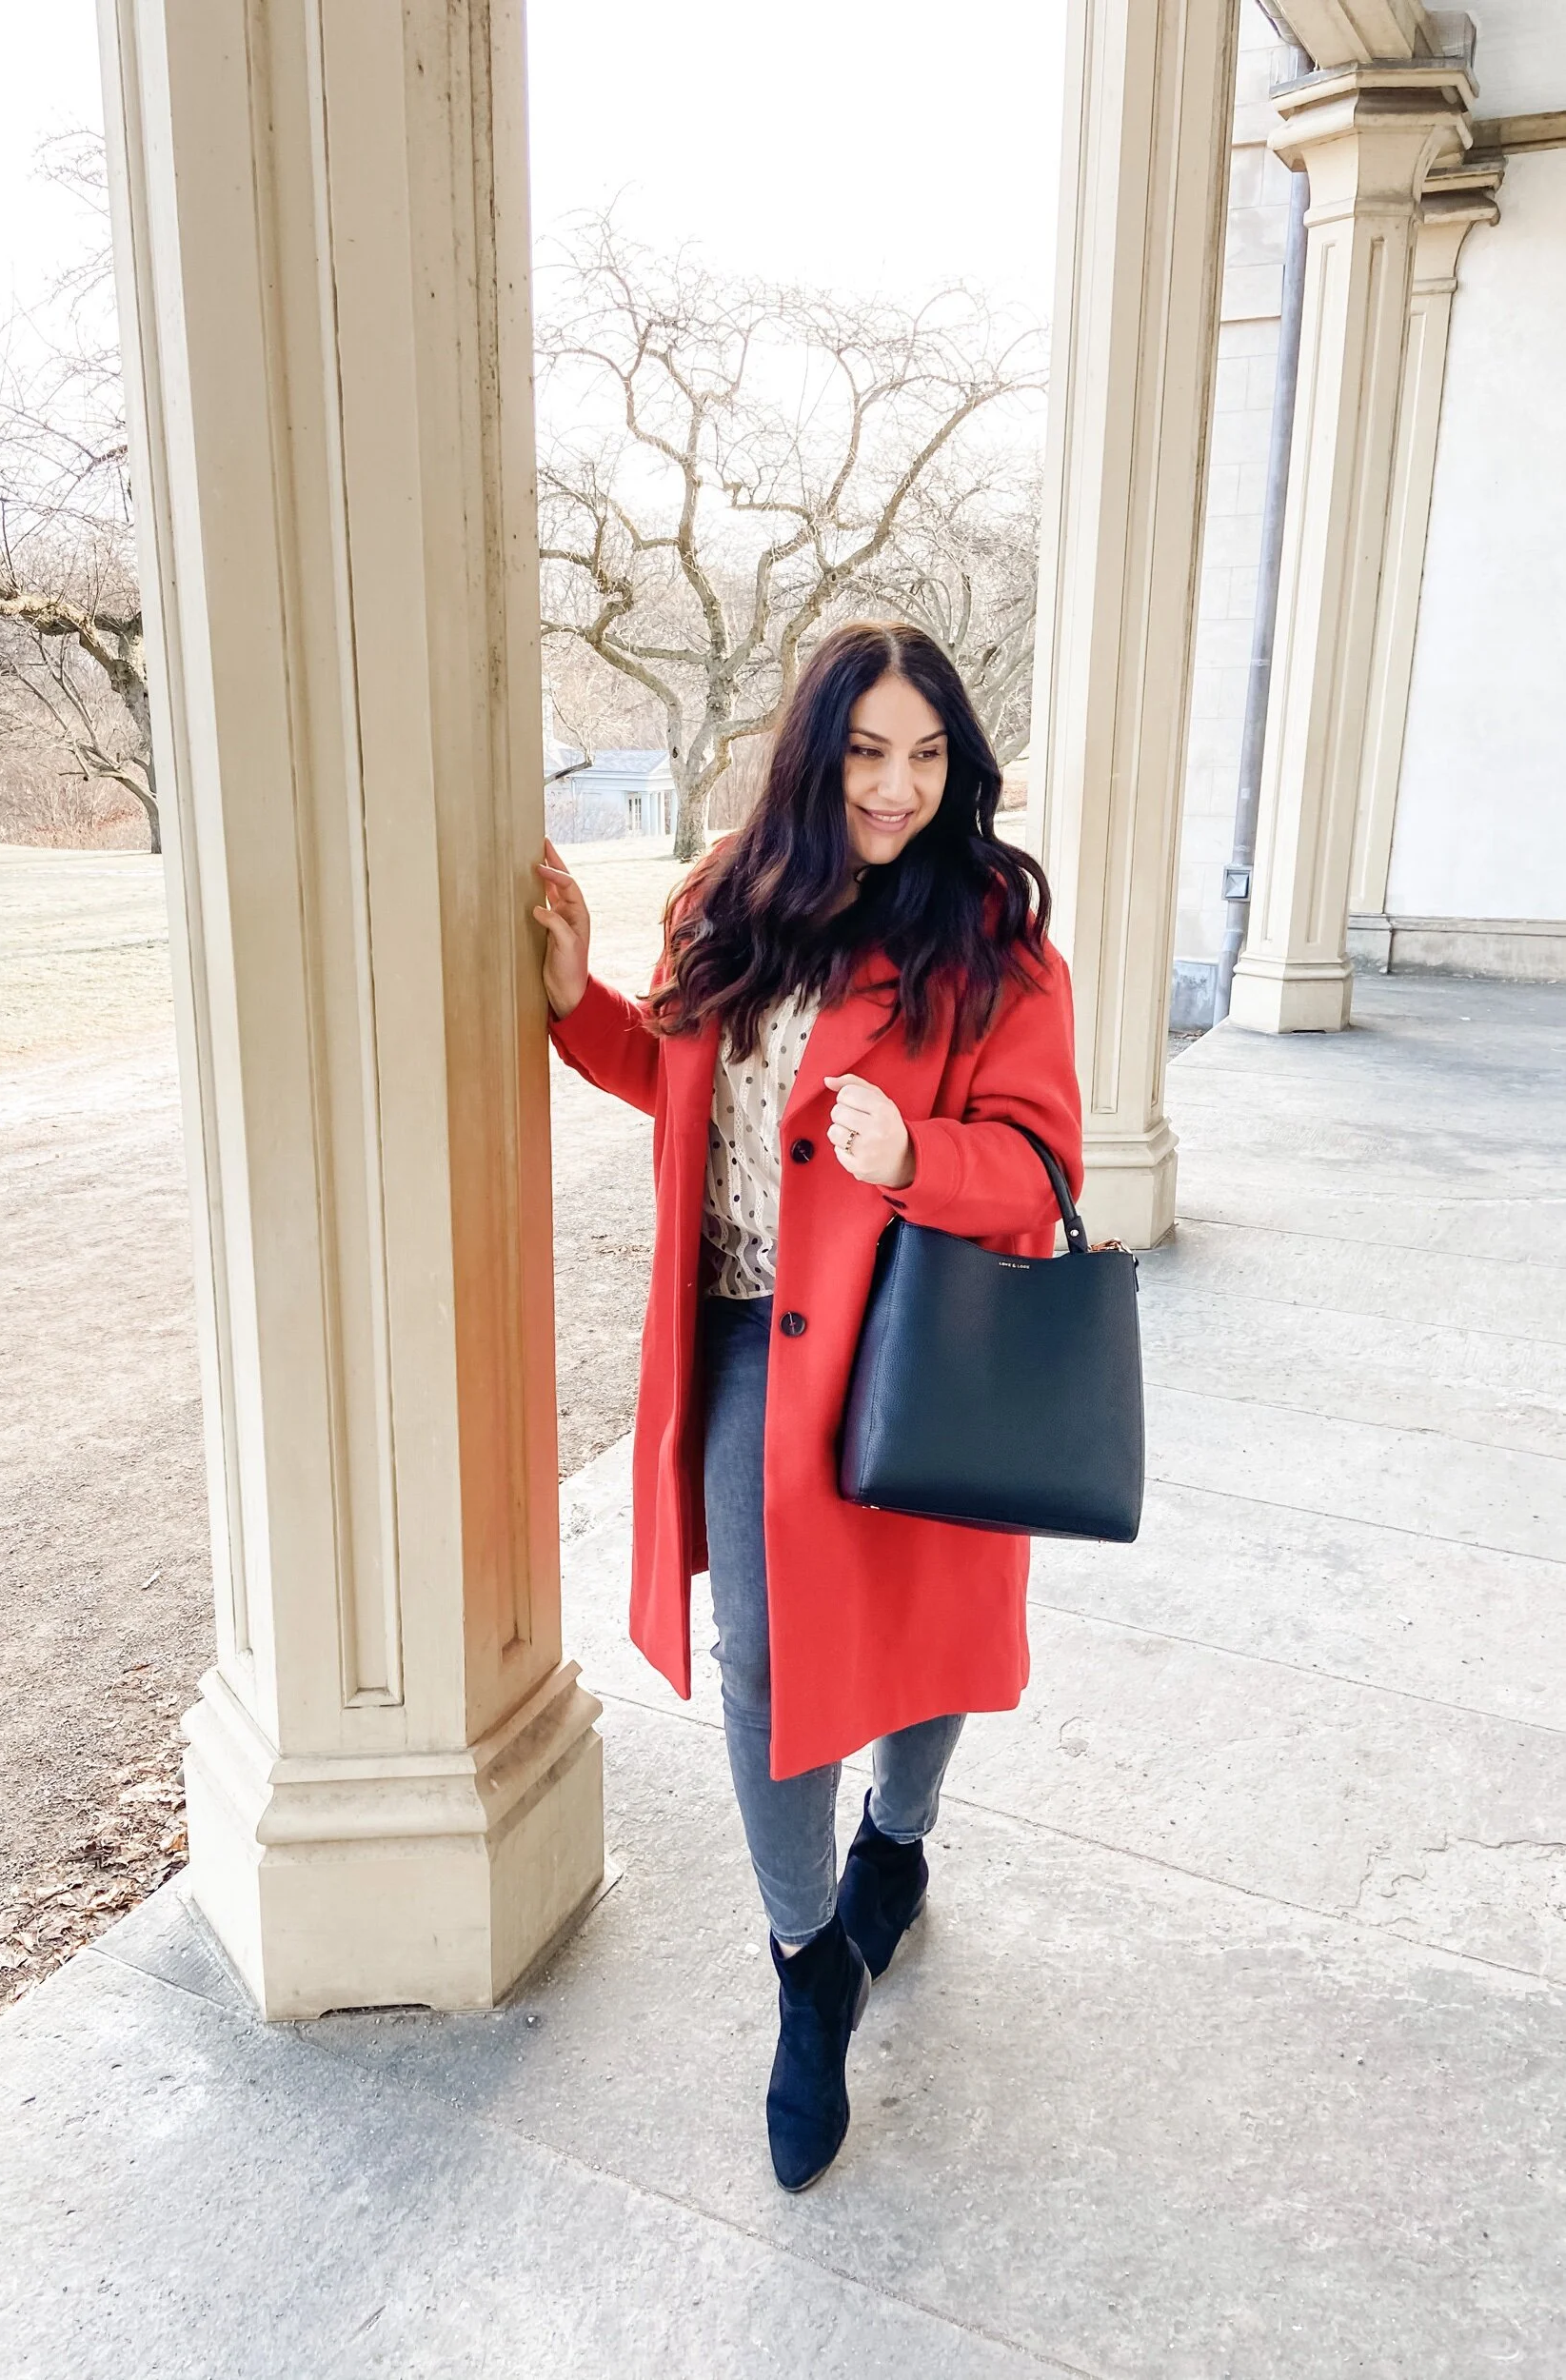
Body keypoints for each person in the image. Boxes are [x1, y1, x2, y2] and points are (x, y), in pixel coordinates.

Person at [533, 621, 1082, 2192]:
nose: (897, 787)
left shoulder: (993, 931)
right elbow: (684, 1089)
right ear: (810, 748)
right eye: (866, 752)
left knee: (922, 1627)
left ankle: (894, 1844)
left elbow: (1045, 1164)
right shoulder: (727, 892)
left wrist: (917, 1155)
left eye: (926, 755)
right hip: (741, 1344)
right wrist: (579, 1003)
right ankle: (805, 1967)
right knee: (762, 1656)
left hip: (914, 1343)